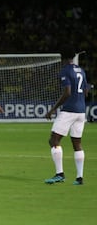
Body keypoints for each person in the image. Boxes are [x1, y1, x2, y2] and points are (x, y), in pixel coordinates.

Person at [44, 45, 88, 185]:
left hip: (69, 110)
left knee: (54, 140)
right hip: (81, 111)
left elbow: (67, 92)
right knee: (77, 143)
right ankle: (79, 177)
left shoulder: (65, 70)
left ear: (62, 58)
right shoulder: (81, 70)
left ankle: (60, 174)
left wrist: (53, 109)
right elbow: (86, 91)